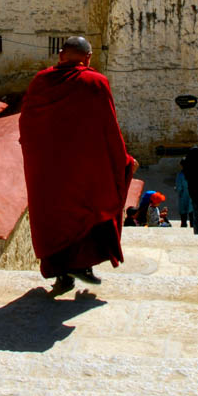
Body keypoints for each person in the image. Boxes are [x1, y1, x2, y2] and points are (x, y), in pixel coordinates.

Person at [19, 36, 138, 293]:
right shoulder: (95, 83)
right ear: (88, 58)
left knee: (56, 218)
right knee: (91, 211)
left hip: (49, 172)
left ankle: (63, 275)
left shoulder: (40, 82)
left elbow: (26, 126)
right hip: (84, 170)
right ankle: (83, 267)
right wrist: (124, 161)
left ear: (61, 56)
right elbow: (109, 129)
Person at [174, 163, 194, 228]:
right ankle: (192, 225)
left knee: (183, 211)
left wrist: (177, 190)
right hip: (192, 195)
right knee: (192, 211)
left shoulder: (180, 175)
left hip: (183, 195)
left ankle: (184, 225)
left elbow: (179, 187)